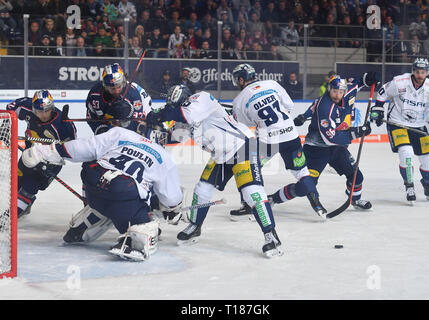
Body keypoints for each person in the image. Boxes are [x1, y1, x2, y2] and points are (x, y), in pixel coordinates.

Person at [21, 99, 183, 261]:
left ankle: (91, 218)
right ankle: (139, 238)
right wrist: (172, 210)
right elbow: (171, 199)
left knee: (95, 167)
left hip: (94, 186)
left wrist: (44, 151)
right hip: (124, 197)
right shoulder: (163, 157)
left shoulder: (121, 134)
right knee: (145, 210)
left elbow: (83, 148)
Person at [146, 84, 283, 258]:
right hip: (221, 155)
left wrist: (160, 113)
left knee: (252, 193)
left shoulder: (200, 98)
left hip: (242, 147)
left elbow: (185, 114)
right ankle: (195, 227)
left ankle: (271, 236)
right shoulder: (184, 116)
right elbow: (175, 134)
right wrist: (152, 124)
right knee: (202, 189)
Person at [229, 63, 326, 221]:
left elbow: (244, 124)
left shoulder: (239, 99)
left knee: (245, 164)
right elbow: (289, 105)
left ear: (241, 79)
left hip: (269, 141)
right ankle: (317, 205)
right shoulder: (271, 84)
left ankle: (248, 205)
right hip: (291, 136)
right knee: (302, 172)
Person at [284, 73, 380, 211]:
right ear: (330, 89)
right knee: (307, 185)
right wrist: (356, 132)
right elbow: (330, 136)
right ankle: (275, 198)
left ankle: (355, 199)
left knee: (356, 176)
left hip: (336, 148)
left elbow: (359, 82)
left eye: (340, 92)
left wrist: (368, 78)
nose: (337, 95)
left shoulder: (349, 92)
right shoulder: (325, 106)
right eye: (334, 91)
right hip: (316, 148)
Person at [369, 58, 429, 203]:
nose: (419, 75)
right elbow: (383, 91)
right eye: (417, 71)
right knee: (406, 152)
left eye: (422, 72)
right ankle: (409, 186)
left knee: (428, 159)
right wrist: (378, 108)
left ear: (427, 73)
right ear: (413, 71)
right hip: (397, 123)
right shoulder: (400, 82)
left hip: (418, 125)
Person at [6, 90, 77, 218]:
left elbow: (72, 148)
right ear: (33, 109)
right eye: (39, 111)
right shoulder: (26, 107)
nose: (43, 115)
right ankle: (25, 205)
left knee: (29, 187)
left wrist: (50, 162)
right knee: (17, 183)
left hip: (51, 162)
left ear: (52, 107)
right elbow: (10, 108)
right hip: (29, 154)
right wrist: (7, 125)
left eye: (47, 111)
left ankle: (9, 219)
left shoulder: (63, 125)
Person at [85, 63, 152, 135]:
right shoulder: (95, 94)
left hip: (143, 109)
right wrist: (101, 129)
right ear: (105, 86)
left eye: (119, 87)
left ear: (123, 82)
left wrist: (126, 119)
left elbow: (138, 123)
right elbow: (91, 118)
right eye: (113, 88)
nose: (116, 91)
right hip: (109, 122)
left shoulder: (133, 94)